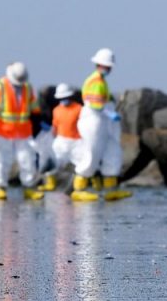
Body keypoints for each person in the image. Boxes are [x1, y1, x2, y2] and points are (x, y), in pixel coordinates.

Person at [0, 62, 47, 200]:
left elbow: (34, 109)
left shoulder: (27, 87)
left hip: (23, 133)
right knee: (1, 161)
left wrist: (41, 123)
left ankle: (29, 187)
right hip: (1, 132)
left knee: (27, 160)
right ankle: (0, 188)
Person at [72, 48, 132, 202]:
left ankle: (110, 188)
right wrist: (110, 113)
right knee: (91, 153)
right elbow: (95, 105)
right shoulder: (95, 81)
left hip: (102, 121)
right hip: (93, 120)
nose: (109, 68)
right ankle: (79, 188)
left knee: (111, 151)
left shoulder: (101, 81)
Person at [38, 83, 83, 192]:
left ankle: (79, 187)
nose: (64, 100)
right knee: (55, 163)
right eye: (62, 98)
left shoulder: (79, 108)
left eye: (66, 97)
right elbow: (55, 126)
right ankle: (50, 184)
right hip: (61, 140)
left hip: (77, 141)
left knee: (82, 164)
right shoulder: (56, 110)